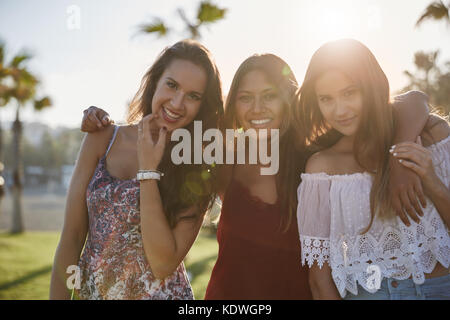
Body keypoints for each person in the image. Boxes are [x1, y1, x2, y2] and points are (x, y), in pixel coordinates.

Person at [82, 53, 429, 300]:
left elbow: (411, 101)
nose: (257, 109)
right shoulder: (219, 158)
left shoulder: (317, 156)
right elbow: (168, 131)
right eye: (246, 98)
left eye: (269, 97)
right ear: (233, 106)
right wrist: (103, 123)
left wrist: (399, 156)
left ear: (289, 100)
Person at [49, 39, 224, 300]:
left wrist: (148, 171)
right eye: (172, 85)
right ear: (155, 82)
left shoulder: (198, 165)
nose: (177, 103)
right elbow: (72, 238)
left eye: (193, 96)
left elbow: (163, 264)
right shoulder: (102, 138)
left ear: (202, 105)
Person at [295, 39, 450, 300]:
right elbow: (319, 280)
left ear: (371, 87)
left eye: (349, 93)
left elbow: (414, 99)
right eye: (326, 99)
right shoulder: (321, 169)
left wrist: (430, 181)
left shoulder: (431, 135)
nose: (340, 110)